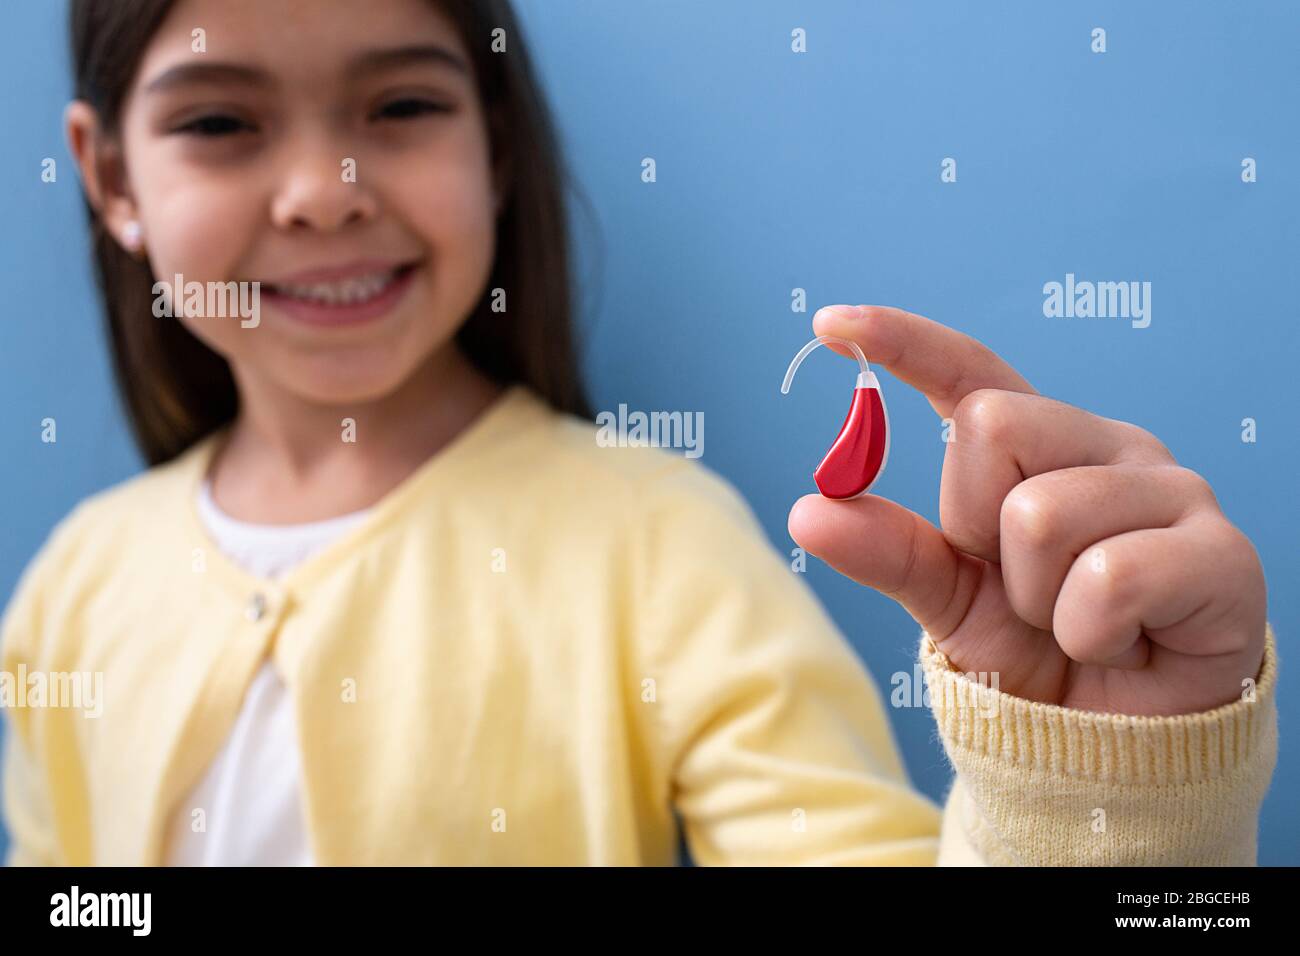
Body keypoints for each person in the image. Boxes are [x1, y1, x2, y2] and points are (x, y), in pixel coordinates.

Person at [0, 0, 1277, 865]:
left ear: (496, 147)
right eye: (219, 121)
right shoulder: (69, 588)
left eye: (399, 108)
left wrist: (1094, 795)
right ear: (109, 176)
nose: (323, 197)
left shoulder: (655, 545)